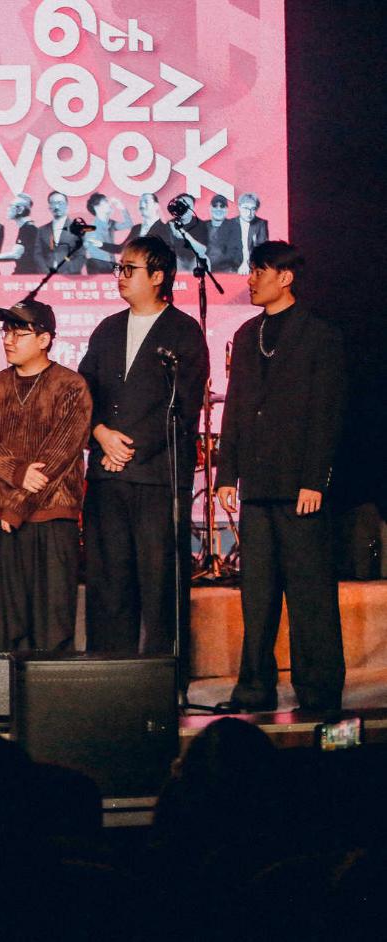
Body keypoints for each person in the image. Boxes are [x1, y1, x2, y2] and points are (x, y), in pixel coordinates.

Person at [215, 241, 345, 712]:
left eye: (259, 271)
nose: (250, 280)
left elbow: (326, 412)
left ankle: (319, 690)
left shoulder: (319, 335)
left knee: (310, 593)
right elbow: (234, 407)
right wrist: (226, 473)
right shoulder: (248, 333)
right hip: (257, 484)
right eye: (251, 270)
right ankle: (254, 688)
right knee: (257, 595)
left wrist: (315, 479)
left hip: (299, 485)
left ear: (285, 277)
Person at [79, 236, 208, 661]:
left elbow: (184, 407)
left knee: (160, 584)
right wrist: (100, 433)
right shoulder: (108, 328)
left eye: (129, 269)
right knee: (108, 582)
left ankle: (164, 677)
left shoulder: (183, 331)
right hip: (106, 476)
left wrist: (128, 449)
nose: (120, 276)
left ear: (158, 276)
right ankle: (109, 673)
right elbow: (82, 392)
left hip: (157, 479)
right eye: (119, 268)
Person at [0, 299, 91, 651]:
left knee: (52, 622)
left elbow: (60, 453)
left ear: (44, 339)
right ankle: (2, 685)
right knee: (0, 621)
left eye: (19, 333)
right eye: (6, 331)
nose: (8, 340)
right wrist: (16, 473)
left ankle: (48, 687)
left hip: (52, 518)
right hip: (0, 518)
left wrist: (18, 506)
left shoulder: (70, 386)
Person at [218, 193, 271, 275]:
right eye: (246, 208)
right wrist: (239, 266)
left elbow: (262, 250)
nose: (249, 213)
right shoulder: (228, 224)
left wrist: (248, 263)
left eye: (253, 209)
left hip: (253, 266)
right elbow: (223, 251)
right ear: (239, 207)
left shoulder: (261, 223)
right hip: (231, 267)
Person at [82, 192, 133, 274]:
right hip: (100, 271)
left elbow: (129, 225)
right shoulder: (92, 230)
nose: (110, 204)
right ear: (96, 207)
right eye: (106, 201)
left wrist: (122, 208)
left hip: (110, 268)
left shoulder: (110, 223)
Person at [35, 191, 84, 274]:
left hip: (70, 276)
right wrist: (46, 272)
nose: (56, 207)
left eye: (60, 203)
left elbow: (81, 255)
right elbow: (37, 254)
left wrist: (66, 272)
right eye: (53, 203)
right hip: (47, 275)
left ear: (67, 206)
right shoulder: (42, 230)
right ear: (49, 207)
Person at [167, 193, 211, 272]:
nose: (184, 208)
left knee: (205, 260)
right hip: (177, 260)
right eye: (182, 205)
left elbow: (202, 251)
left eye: (188, 205)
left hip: (194, 259)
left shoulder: (200, 224)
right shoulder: (170, 224)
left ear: (193, 208)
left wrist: (184, 235)